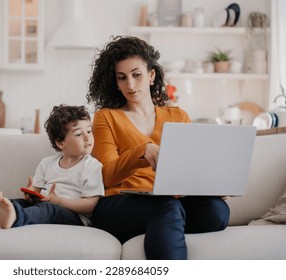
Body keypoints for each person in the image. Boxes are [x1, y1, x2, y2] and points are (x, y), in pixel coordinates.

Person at [86, 35, 230, 260]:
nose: (130, 85)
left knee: (217, 211)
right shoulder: (106, 117)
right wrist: (141, 151)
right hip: (119, 204)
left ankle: (163, 223)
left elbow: (190, 169)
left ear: (151, 75)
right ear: (115, 82)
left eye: (137, 75)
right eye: (122, 78)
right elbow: (106, 176)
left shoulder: (177, 115)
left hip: (168, 200)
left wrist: (210, 184)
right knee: (167, 207)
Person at [0, 104, 104, 229]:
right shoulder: (47, 163)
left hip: (75, 217)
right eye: (79, 134)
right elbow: (37, 194)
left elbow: (90, 205)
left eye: (89, 131)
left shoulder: (92, 166)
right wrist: (31, 194)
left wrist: (59, 201)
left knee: (47, 209)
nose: (87, 137)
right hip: (47, 205)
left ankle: (15, 218)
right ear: (60, 143)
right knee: (19, 202)